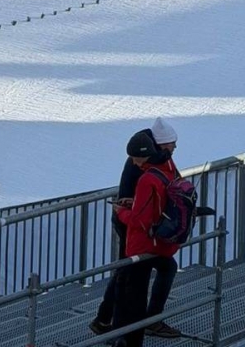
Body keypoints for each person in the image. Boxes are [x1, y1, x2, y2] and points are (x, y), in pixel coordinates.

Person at [91, 118, 182, 339]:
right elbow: (143, 204)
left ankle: (108, 321)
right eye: (172, 143)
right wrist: (126, 211)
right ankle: (127, 327)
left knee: (131, 272)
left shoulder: (154, 158)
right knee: (133, 276)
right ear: (160, 144)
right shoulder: (145, 162)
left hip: (140, 226)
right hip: (137, 228)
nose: (175, 147)